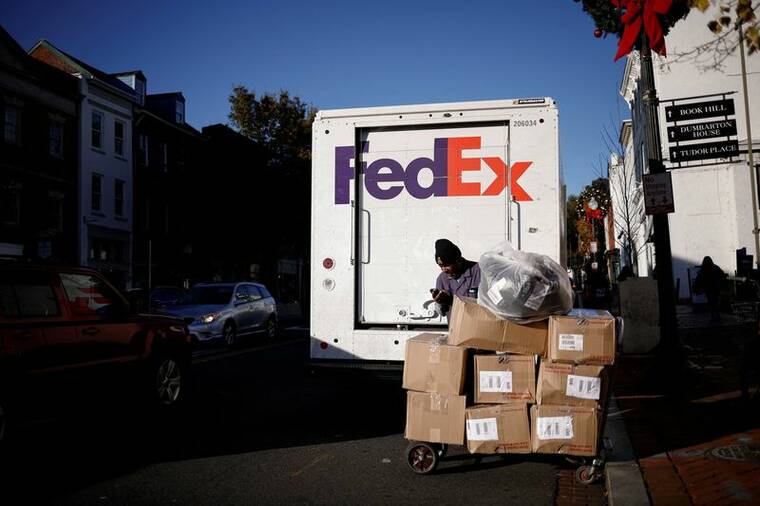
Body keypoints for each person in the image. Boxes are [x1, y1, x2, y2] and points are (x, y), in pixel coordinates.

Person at [430, 239, 481, 317]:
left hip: (477, 326)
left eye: (447, 265)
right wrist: (439, 302)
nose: (444, 270)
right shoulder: (442, 279)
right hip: (456, 327)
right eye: (441, 266)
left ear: (459, 260)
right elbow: (442, 313)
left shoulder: (478, 271)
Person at [693, 256, 726, 323]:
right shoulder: (715, 267)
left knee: (711, 302)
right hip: (715, 288)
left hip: (708, 288)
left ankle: (713, 316)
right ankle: (717, 315)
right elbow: (722, 275)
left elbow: (699, 279)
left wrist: (696, 288)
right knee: (715, 302)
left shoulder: (703, 269)